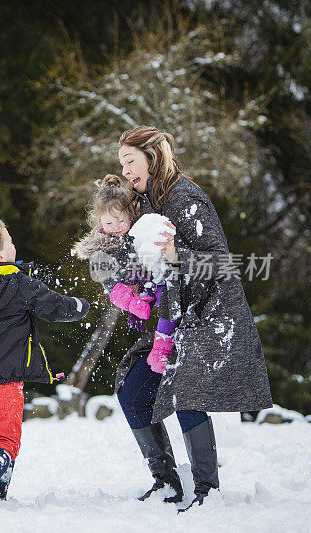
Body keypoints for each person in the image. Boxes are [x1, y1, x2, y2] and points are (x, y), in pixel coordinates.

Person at [114, 125, 272, 510]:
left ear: (151, 157)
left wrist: (174, 255)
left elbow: (221, 263)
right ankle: (167, 482)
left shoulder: (185, 197)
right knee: (133, 393)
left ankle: (206, 491)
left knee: (186, 394)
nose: (126, 171)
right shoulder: (149, 201)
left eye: (130, 161)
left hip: (209, 317)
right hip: (172, 320)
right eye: (122, 164)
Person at [0, 220, 89, 508]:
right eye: (9, 242)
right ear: (1, 256)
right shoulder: (16, 283)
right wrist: (80, 306)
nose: (14, 246)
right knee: (7, 440)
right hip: (4, 378)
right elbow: (54, 306)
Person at [73, 174, 179, 379]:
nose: (117, 226)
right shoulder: (100, 248)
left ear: (131, 215)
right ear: (99, 221)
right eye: (110, 222)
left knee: (169, 298)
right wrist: (130, 302)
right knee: (137, 295)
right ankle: (144, 315)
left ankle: (161, 348)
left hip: (152, 281)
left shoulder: (138, 232)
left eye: (122, 220)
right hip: (127, 289)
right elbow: (110, 284)